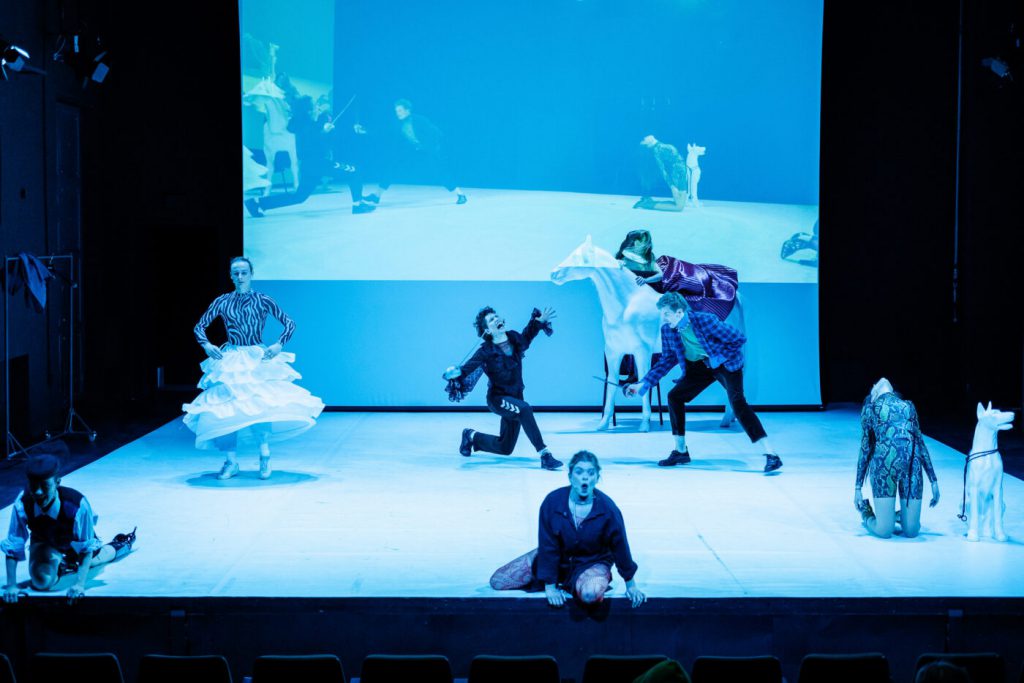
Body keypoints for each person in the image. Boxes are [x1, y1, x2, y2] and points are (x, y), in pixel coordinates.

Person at [183, 256, 325, 480]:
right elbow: (199, 326)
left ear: (251, 274)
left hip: (257, 356)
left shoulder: (263, 300)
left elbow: (289, 323)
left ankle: (264, 455)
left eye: (244, 273)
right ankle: (231, 461)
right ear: (231, 276)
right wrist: (207, 345)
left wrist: (278, 345)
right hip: (231, 358)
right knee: (225, 408)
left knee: (260, 404)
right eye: (236, 273)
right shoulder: (222, 301)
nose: (240, 277)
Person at [625, 292, 782, 473]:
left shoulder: (705, 320)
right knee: (675, 397)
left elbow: (738, 338)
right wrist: (643, 384)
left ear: (679, 312)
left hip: (726, 363)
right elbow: (667, 360)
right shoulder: (668, 330)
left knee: (738, 403)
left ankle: (771, 454)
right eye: (662, 314)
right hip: (700, 366)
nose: (664, 318)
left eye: (666, 313)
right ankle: (680, 451)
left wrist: (720, 357)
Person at [489, 451, 646, 608]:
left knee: (590, 593)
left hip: (592, 562)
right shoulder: (552, 502)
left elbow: (620, 546)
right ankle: (552, 575)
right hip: (558, 557)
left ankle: (580, 580)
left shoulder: (608, 509)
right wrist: (550, 586)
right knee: (498, 581)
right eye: (579, 472)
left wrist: (630, 584)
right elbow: (548, 544)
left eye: (591, 473)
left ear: (597, 478)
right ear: (570, 476)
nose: (585, 477)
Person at [2, 454, 136, 604]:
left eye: (44, 486)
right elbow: (14, 544)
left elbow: (85, 548)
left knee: (94, 561)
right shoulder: (22, 503)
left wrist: (79, 584)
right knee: (41, 581)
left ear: (57, 483)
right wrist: (11, 585)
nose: (38, 492)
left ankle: (120, 544)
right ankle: (62, 564)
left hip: (73, 540)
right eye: (34, 486)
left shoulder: (77, 505)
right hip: (45, 540)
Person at [443, 307, 562, 470]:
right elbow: (467, 369)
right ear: (487, 330)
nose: (496, 319)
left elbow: (527, 336)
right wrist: (455, 374)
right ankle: (545, 454)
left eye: (496, 316)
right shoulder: (485, 351)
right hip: (498, 399)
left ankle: (470, 436)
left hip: (516, 397)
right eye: (491, 320)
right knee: (525, 409)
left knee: (505, 447)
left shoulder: (514, 338)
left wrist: (538, 322)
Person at [244, 95, 377, 217]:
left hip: (310, 166)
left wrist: (326, 132)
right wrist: (324, 132)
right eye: (315, 106)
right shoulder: (307, 125)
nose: (317, 107)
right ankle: (358, 205)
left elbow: (321, 143)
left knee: (299, 197)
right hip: (317, 163)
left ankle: (257, 203)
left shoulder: (305, 124)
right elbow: (313, 145)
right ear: (308, 110)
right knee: (355, 170)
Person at [855, 378, 940, 538]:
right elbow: (865, 447)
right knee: (885, 530)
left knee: (911, 531)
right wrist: (858, 488)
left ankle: (895, 515)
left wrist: (934, 481)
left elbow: (919, 441)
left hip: (907, 468)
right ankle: (867, 512)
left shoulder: (908, 407)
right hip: (886, 469)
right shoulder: (871, 409)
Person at [616, 229, 738, 323]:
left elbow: (660, 275)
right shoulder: (625, 257)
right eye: (639, 240)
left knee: (691, 280)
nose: (640, 244)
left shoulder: (648, 259)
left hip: (662, 281)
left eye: (643, 241)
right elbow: (618, 266)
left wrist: (646, 280)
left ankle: (709, 285)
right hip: (645, 285)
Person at [364, 98, 467, 206]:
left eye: (400, 110)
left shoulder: (420, 120)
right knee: (392, 168)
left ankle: (460, 194)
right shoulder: (397, 123)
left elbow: (437, 133)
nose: (397, 113)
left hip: (428, 152)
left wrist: (432, 148)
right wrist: (366, 131)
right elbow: (384, 132)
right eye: (396, 111)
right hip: (413, 153)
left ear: (407, 110)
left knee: (439, 172)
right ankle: (376, 196)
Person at [634, 135, 687, 211]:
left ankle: (647, 202)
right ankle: (645, 204)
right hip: (677, 178)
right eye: (644, 139)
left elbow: (677, 164)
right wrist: (672, 186)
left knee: (679, 206)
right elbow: (664, 170)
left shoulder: (660, 147)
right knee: (679, 207)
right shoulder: (658, 150)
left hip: (680, 176)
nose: (645, 138)